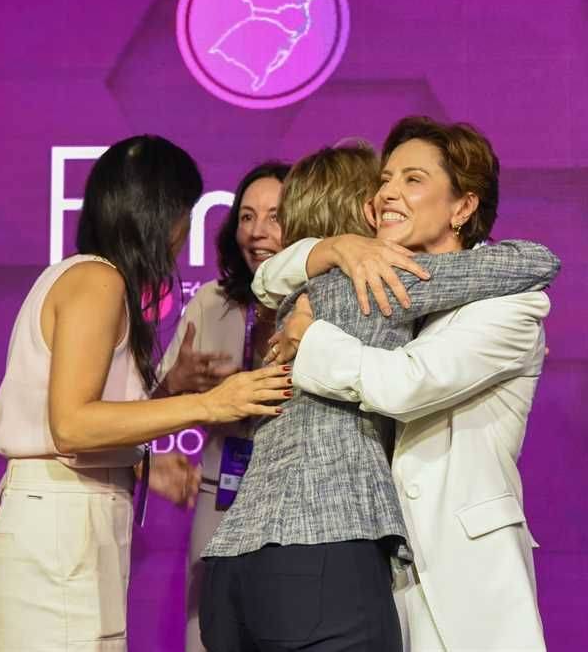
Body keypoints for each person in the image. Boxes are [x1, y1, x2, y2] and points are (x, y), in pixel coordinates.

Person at [198, 141, 558, 652]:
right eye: (384, 180)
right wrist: (336, 248)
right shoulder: (367, 277)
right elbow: (268, 277)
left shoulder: (506, 305)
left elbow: (406, 383)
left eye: (412, 179)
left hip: (452, 569)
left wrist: (311, 335)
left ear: (462, 206)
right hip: (346, 554)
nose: (389, 192)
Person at [0, 135, 291, 652]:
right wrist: (210, 403)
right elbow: (71, 426)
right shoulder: (96, 281)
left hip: (72, 524)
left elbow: (89, 413)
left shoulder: (92, 279)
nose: (185, 232)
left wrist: (167, 397)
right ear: (158, 214)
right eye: (185, 211)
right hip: (60, 528)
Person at [155, 161, 290, 652]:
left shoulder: (323, 302)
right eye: (246, 217)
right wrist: (176, 384)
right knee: (208, 635)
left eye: (274, 216)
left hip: (294, 503)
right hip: (220, 497)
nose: (257, 231)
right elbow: (154, 404)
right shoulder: (211, 302)